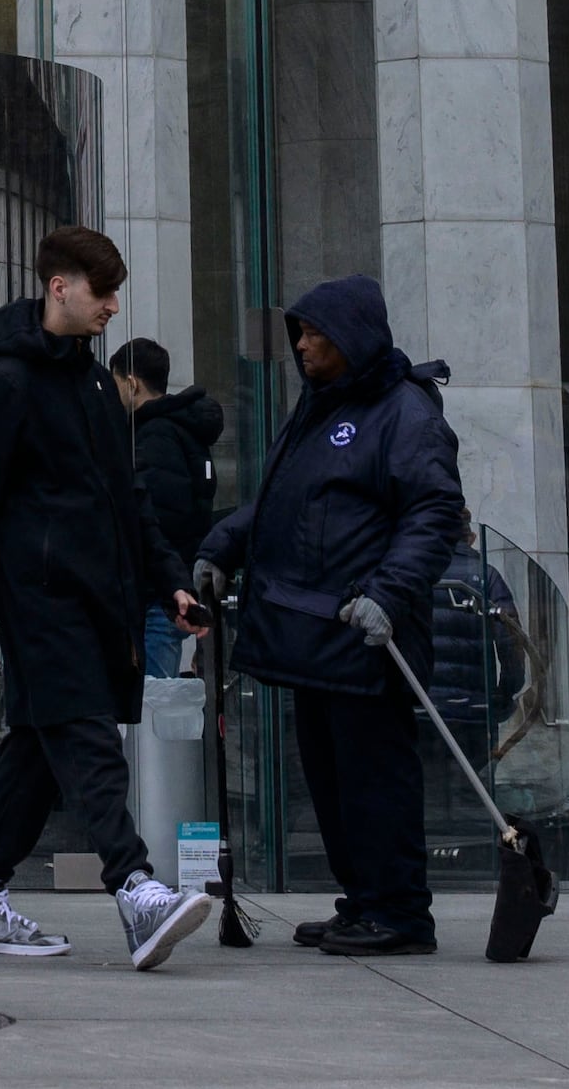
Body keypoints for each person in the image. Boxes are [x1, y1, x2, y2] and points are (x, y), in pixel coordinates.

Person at [0, 228, 214, 969]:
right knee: (90, 738)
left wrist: (171, 582)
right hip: (40, 598)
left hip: (98, 597)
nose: (114, 306)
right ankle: (136, 889)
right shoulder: (8, 384)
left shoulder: (94, 384)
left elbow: (130, 498)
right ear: (59, 286)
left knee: (33, 751)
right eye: (102, 292)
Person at [188, 272, 467, 957]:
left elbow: (433, 512)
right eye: (300, 334)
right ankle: (362, 900)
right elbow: (287, 497)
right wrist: (225, 543)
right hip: (315, 632)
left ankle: (400, 912)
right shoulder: (318, 408)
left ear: (353, 337)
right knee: (330, 776)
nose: (303, 346)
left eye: (316, 334)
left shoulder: (405, 413)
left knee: (375, 777)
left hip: (366, 631)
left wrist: (391, 593)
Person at [116, 337, 225, 677]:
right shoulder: (178, 430)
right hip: (168, 593)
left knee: (149, 709)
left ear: (132, 383)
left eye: (117, 384)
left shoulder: (154, 437)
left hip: (156, 600)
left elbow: (156, 520)